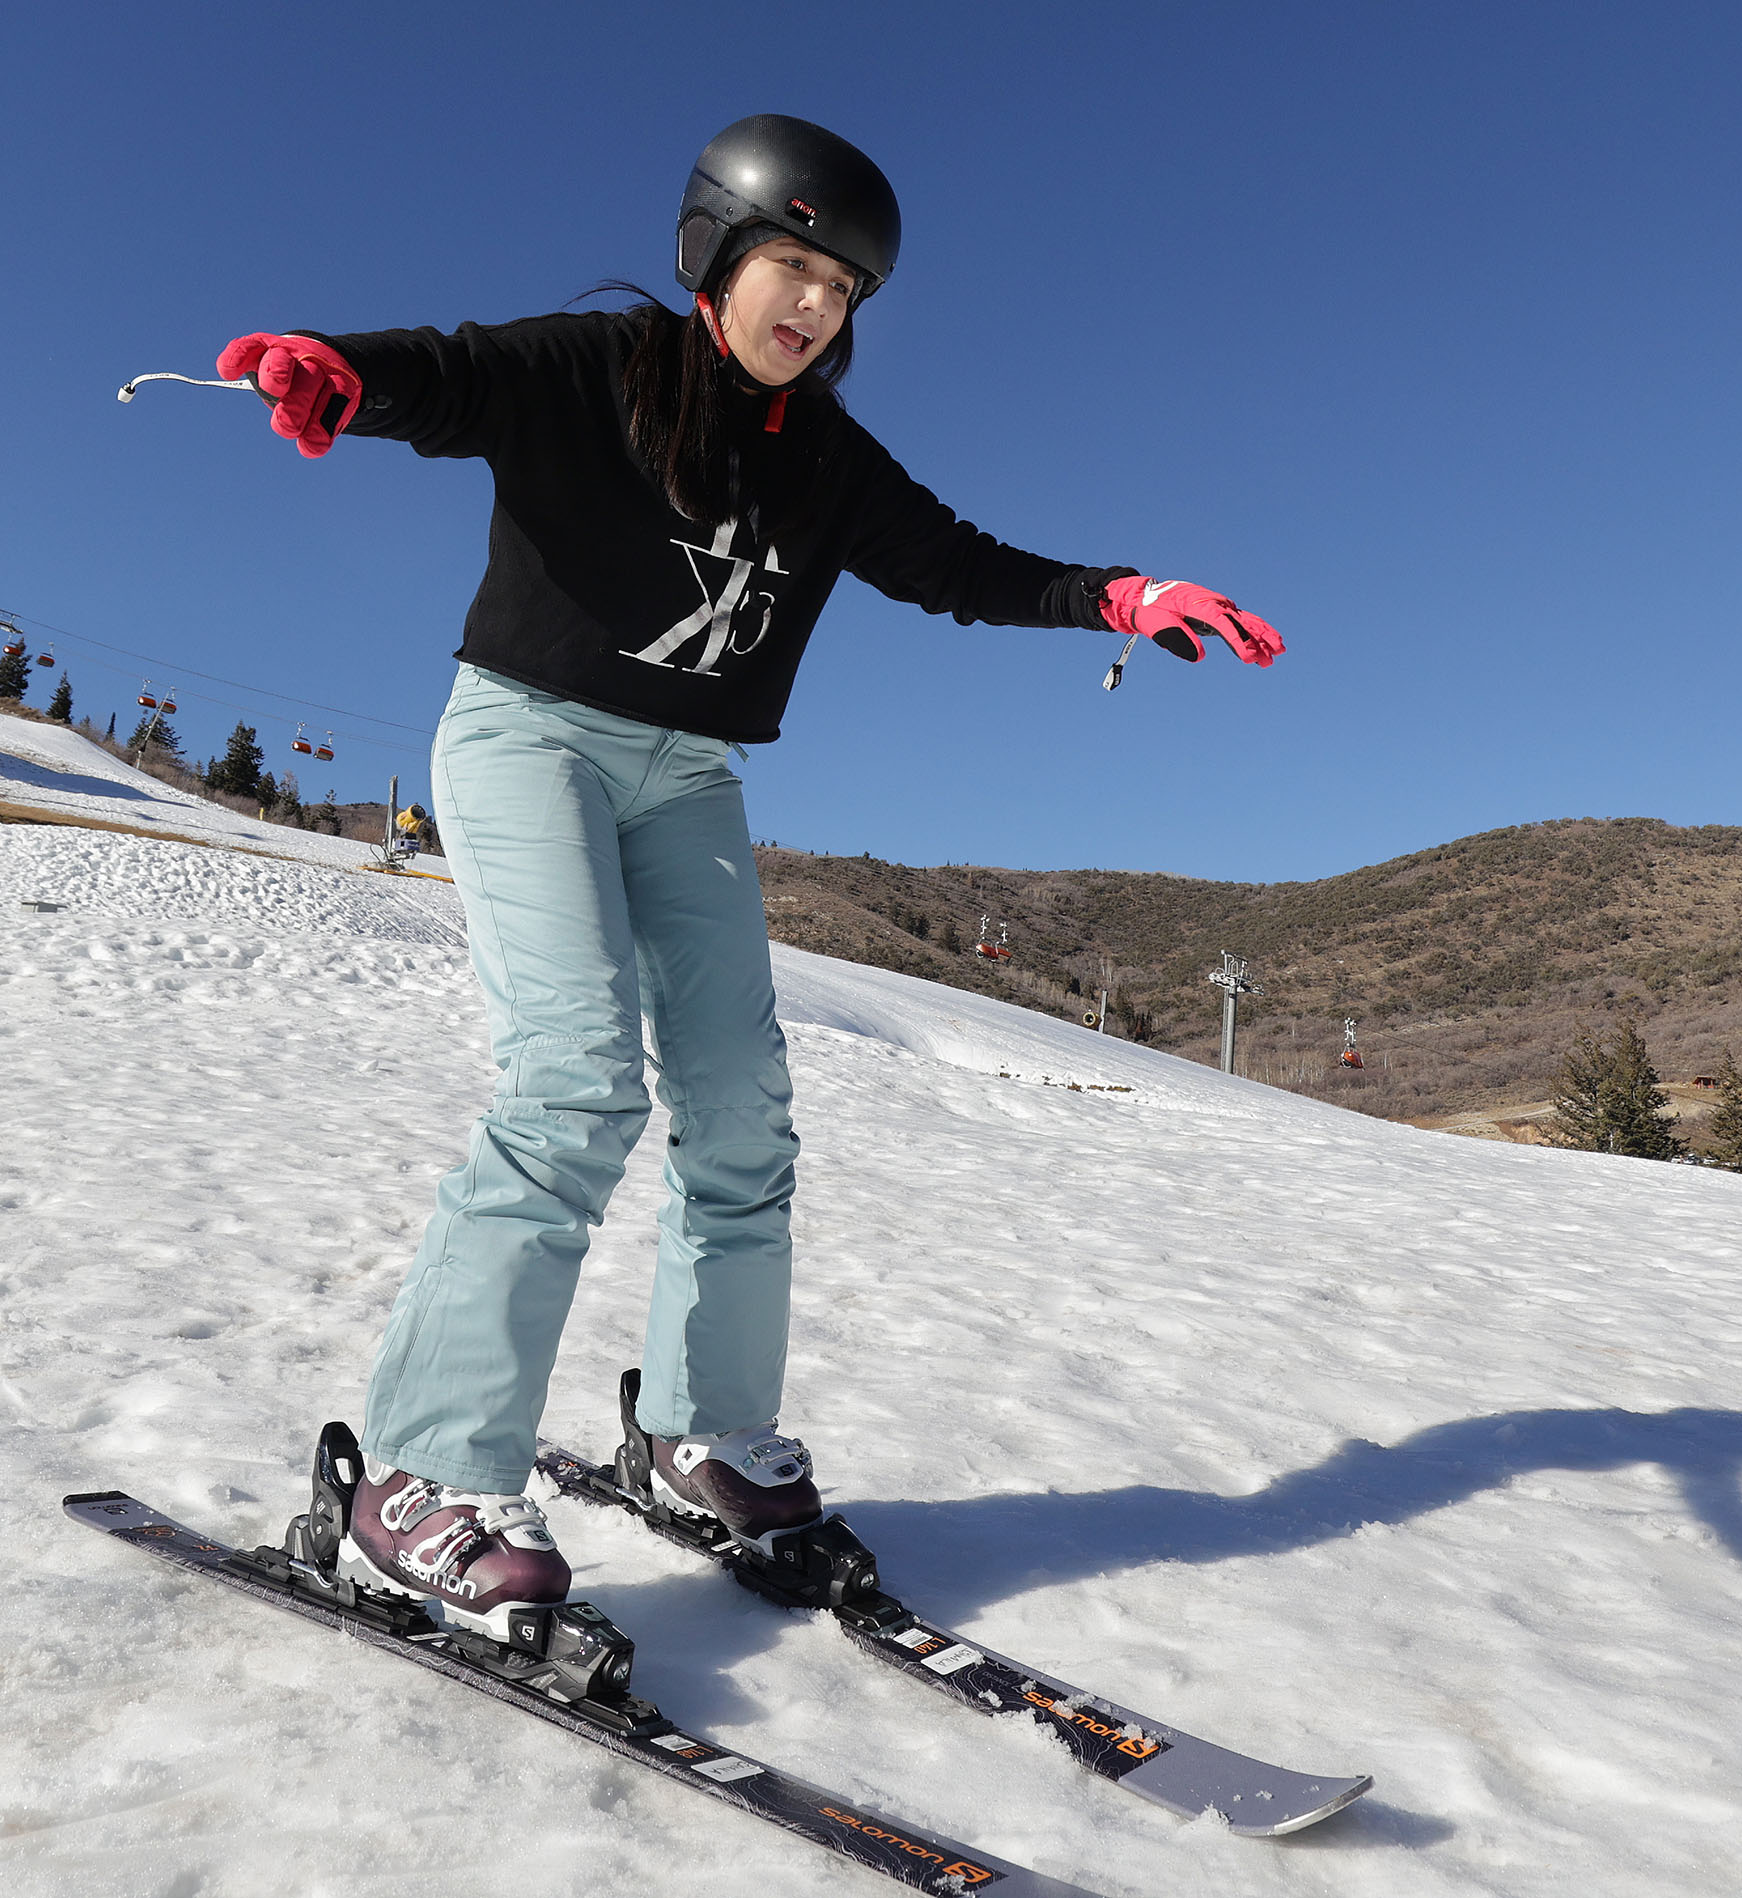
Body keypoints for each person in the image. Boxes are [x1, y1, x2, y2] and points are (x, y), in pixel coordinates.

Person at [214, 115, 1284, 1637]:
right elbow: (455, 375)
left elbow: (960, 564)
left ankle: (700, 1430)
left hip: (690, 774)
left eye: (846, 291)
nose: (818, 308)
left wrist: (1117, 592)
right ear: (717, 251)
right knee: (575, 1083)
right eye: (795, 265)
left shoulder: (829, 463)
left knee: (738, 1104)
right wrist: (341, 369)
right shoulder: (602, 366)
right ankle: (425, 1471)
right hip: (532, 737)